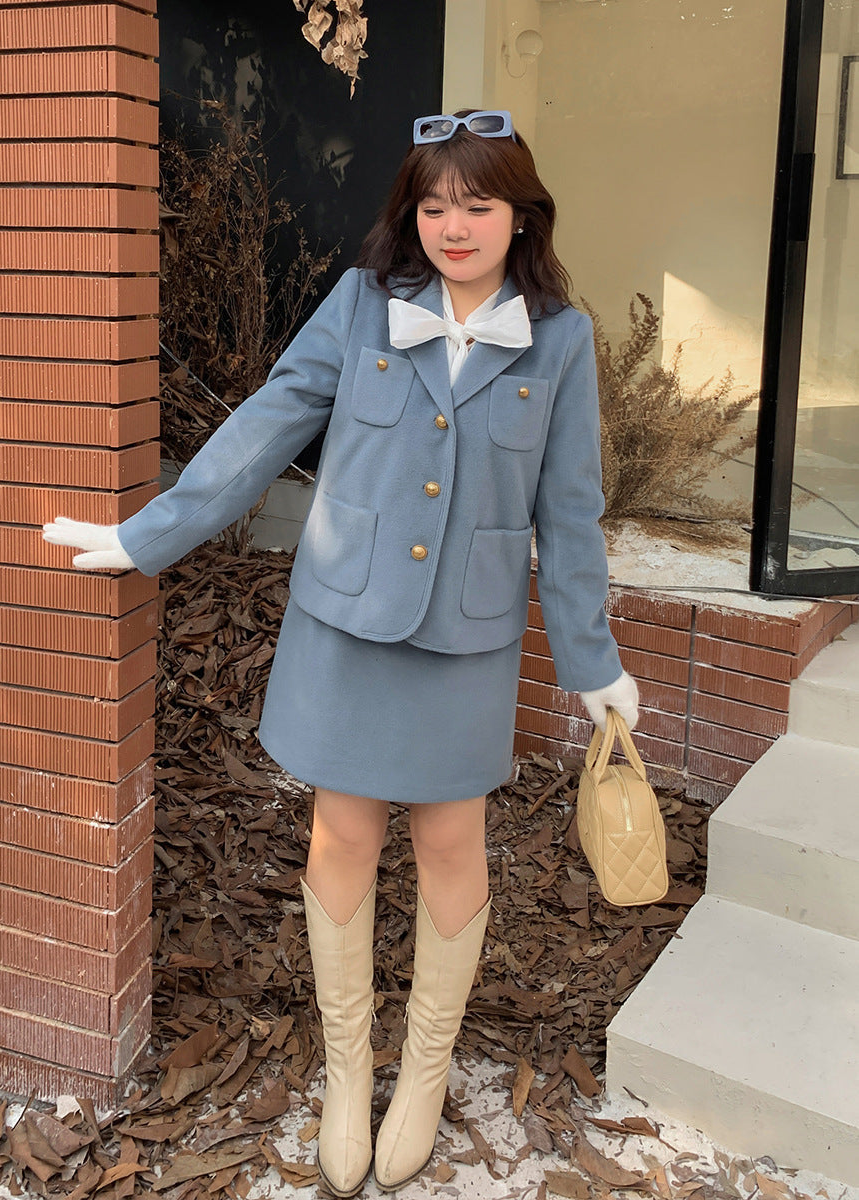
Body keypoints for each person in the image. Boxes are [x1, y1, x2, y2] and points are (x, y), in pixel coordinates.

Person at [44, 109, 639, 1197]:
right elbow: (272, 419)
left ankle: (423, 1073)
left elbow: (568, 513)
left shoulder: (559, 339)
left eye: (479, 205)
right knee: (344, 830)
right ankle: (350, 1072)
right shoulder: (366, 301)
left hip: (466, 636)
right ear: (412, 214)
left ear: (521, 216)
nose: (455, 226)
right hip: (346, 618)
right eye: (435, 205)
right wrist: (151, 534)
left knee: (451, 838)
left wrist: (592, 659)